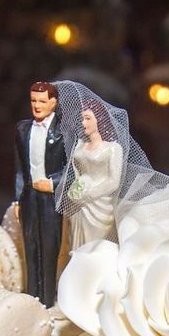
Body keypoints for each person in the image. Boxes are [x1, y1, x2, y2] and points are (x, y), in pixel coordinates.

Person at [14, 82, 67, 308]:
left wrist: (53, 184)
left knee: (49, 249)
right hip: (29, 197)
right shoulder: (22, 130)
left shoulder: (62, 133)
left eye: (42, 101)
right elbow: (19, 168)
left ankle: (46, 301)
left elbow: (71, 168)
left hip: (49, 198)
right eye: (34, 101)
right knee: (31, 247)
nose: (37, 106)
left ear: (53, 103)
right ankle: (30, 299)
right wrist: (18, 198)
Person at [65, 102, 124, 249]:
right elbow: (77, 172)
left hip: (100, 204)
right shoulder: (79, 145)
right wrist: (75, 190)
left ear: (99, 119)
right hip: (78, 205)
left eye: (88, 118)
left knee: (94, 245)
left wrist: (90, 193)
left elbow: (113, 181)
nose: (83, 123)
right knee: (75, 243)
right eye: (82, 119)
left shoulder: (113, 149)